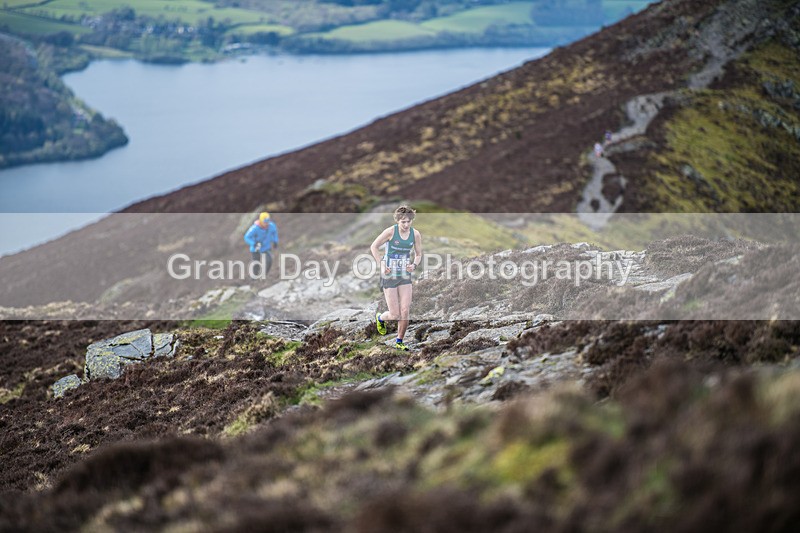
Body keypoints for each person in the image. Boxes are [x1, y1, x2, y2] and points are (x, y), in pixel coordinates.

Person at [370, 205, 423, 351]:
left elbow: (418, 254)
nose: (406, 225)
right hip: (389, 275)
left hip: (405, 276)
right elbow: (374, 247)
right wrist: (381, 265)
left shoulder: (415, 234)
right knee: (395, 314)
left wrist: (414, 265)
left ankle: (399, 341)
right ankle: (380, 318)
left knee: (405, 310)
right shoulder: (390, 232)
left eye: (408, 221)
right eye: (403, 222)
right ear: (398, 221)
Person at [244, 212, 278, 277]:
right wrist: (253, 243)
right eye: (265, 222)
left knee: (269, 260)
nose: (266, 224)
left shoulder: (271, 226)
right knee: (256, 263)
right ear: (261, 221)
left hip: (266, 247)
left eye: (268, 222)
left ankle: (264, 275)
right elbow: (247, 237)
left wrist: (275, 241)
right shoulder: (254, 228)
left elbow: (274, 233)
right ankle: (254, 278)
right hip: (256, 248)